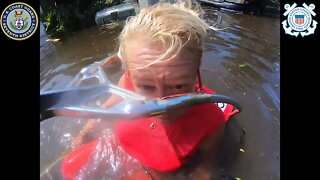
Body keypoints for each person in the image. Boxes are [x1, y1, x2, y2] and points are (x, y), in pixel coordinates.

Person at [61, 1, 239, 179]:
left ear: (196, 73)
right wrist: (84, 134)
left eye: (178, 86)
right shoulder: (129, 80)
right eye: (146, 87)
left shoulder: (211, 119)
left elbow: (206, 168)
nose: (162, 105)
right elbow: (105, 109)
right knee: (70, 167)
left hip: (157, 172)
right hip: (124, 147)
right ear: (130, 72)